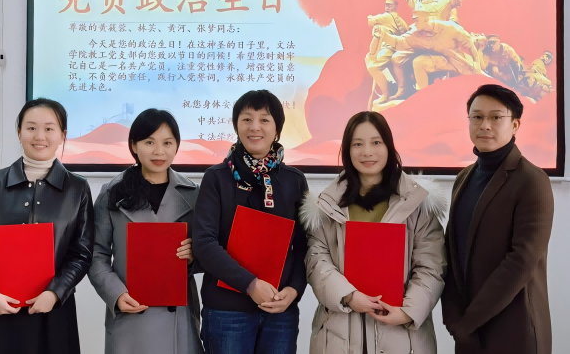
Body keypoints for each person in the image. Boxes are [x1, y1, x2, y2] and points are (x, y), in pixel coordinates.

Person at [300, 111, 447, 354]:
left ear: (389, 146)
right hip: (339, 334)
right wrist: (348, 296)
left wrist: (408, 312)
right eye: (358, 144)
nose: (367, 152)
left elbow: (431, 266)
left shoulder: (417, 204)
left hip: (401, 334)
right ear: (347, 151)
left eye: (376, 142)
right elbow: (317, 260)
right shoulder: (326, 205)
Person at [0, 98, 94, 354]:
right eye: (31, 127)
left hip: (53, 312)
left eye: (49, 128)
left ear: (62, 135)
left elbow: (82, 252)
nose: (39, 136)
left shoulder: (77, 188)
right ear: (19, 132)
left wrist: (55, 293)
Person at [193, 90, 309, 354]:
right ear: (237, 126)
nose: (255, 127)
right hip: (227, 311)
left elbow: (304, 246)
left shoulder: (294, 180)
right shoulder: (216, 178)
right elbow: (204, 242)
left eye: (264, 120)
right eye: (246, 119)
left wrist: (294, 290)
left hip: (280, 311)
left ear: (277, 129)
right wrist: (250, 284)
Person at [441, 84, 553, 353]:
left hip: (515, 329)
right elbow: (452, 251)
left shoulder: (532, 180)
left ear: (515, 125)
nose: (485, 125)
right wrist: (453, 318)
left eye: (495, 117)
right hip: (468, 334)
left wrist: (469, 321)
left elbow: (521, 261)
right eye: (477, 117)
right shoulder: (464, 178)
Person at [88, 109, 202, 354]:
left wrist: (195, 255)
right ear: (134, 145)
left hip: (179, 317)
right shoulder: (112, 192)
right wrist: (116, 294)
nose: (159, 151)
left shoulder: (194, 194)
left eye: (167, 143)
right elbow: (96, 254)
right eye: (149, 142)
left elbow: (212, 250)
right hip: (131, 313)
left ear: (177, 146)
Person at [365, 0, 409, 106]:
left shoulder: (387, 16)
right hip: (397, 50)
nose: (386, 7)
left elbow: (370, 21)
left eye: (389, 5)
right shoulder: (401, 21)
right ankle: (394, 88)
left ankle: (385, 94)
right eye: (386, 5)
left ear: (395, 7)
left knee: (373, 67)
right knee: (371, 59)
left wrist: (370, 17)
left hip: (389, 49)